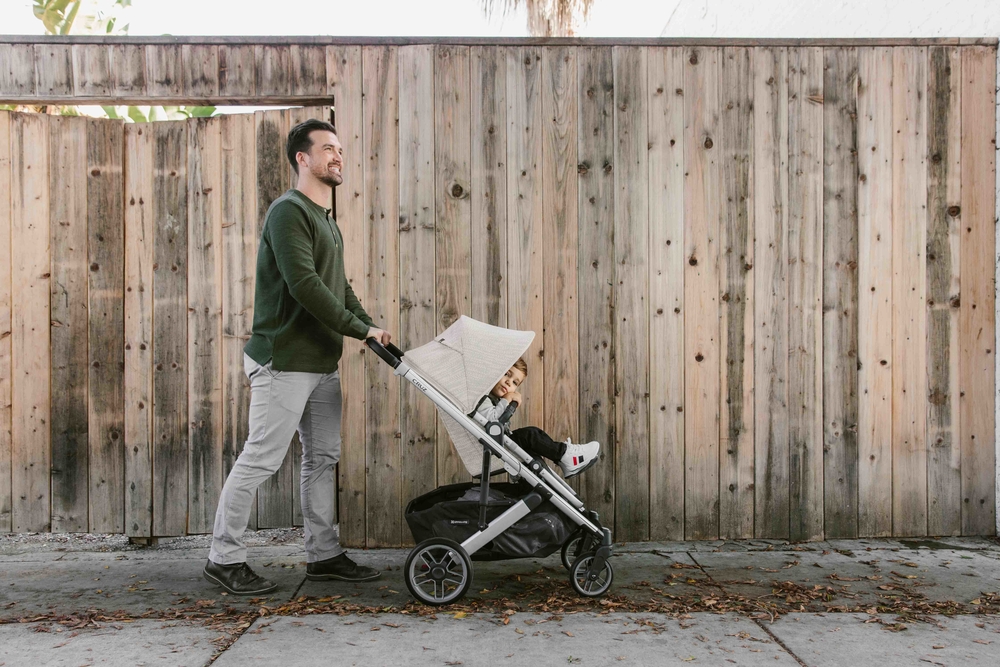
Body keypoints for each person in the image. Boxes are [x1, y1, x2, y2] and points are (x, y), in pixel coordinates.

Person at [204, 119, 391, 596]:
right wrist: (358, 329)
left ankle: (323, 555)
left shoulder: (326, 220)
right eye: (328, 148)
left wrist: (370, 327)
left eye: (340, 148)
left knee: (322, 458)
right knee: (261, 458)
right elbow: (304, 285)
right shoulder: (288, 212)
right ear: (302, 159)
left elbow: (339, 287)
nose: (338, 156)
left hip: (321, 363)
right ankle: (224, 558)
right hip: (283, 360)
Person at [474, 358, 600, 477]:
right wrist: (507, 399)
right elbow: (492, 422)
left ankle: (564, 460)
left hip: (499, 444)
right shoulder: (482, 398)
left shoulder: (496, 400)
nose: (508, 382)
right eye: (506, 374)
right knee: (530, 434)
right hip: (491, 447)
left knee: (536, 450)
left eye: (514, 382)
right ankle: (565, 455)